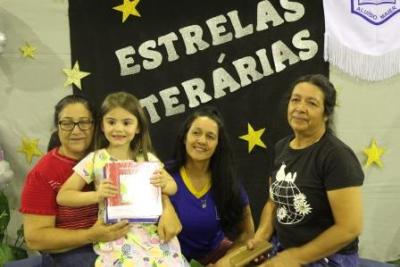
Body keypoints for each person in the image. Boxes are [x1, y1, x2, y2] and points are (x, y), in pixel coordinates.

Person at [19, 94, 181, 267]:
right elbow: (35, 237)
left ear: (95, 125)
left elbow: (164, 186)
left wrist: (166, 207)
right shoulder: (89, 161)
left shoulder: (139, 156)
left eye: (84, 122)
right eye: (66, 123)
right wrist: (92, 231)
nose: (76, 130)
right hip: (80, 246)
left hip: (139, 232)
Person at [249, 74, 364, 267]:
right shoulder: (281, 148)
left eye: (311, 103)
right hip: (284, 250)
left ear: (326, 114)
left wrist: (296, 257)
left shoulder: (337, 156)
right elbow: (273, 202)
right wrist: (261, 236)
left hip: (329, 259)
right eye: (295, 100)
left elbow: (350, 228)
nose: (300, 108)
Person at [168, 106, 255, 266]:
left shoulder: (227, 180)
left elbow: (247, 233)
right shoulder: (163, 175)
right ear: (184, 137)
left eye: (210, 136)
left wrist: (226, 261)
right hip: (169, 259)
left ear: (217, 144)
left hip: (217, 257)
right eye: (196, 133)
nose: (202, 140)